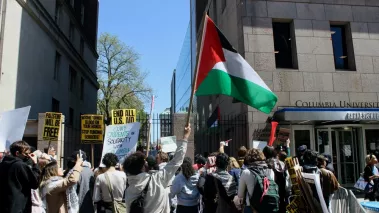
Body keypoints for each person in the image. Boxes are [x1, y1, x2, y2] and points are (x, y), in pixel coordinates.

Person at [123, 125, 191, 213]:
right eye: (145, 163)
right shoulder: (157, 179)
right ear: (142, 167)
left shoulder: (129, 190)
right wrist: (185, 137)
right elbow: (176, 161)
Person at [0, 141, 40, 213]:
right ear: (17, 153)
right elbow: (35, 183)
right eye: (26, 154)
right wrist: (35, 165)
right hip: (19, 207)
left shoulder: (3, 163)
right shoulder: (20, 165)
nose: (28, 156)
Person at [238, 148, 275, 213]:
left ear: (248, 158)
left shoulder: (246, 172)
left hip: (252, 208)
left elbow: (240, 195)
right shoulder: (270, 171)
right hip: (268, 206)